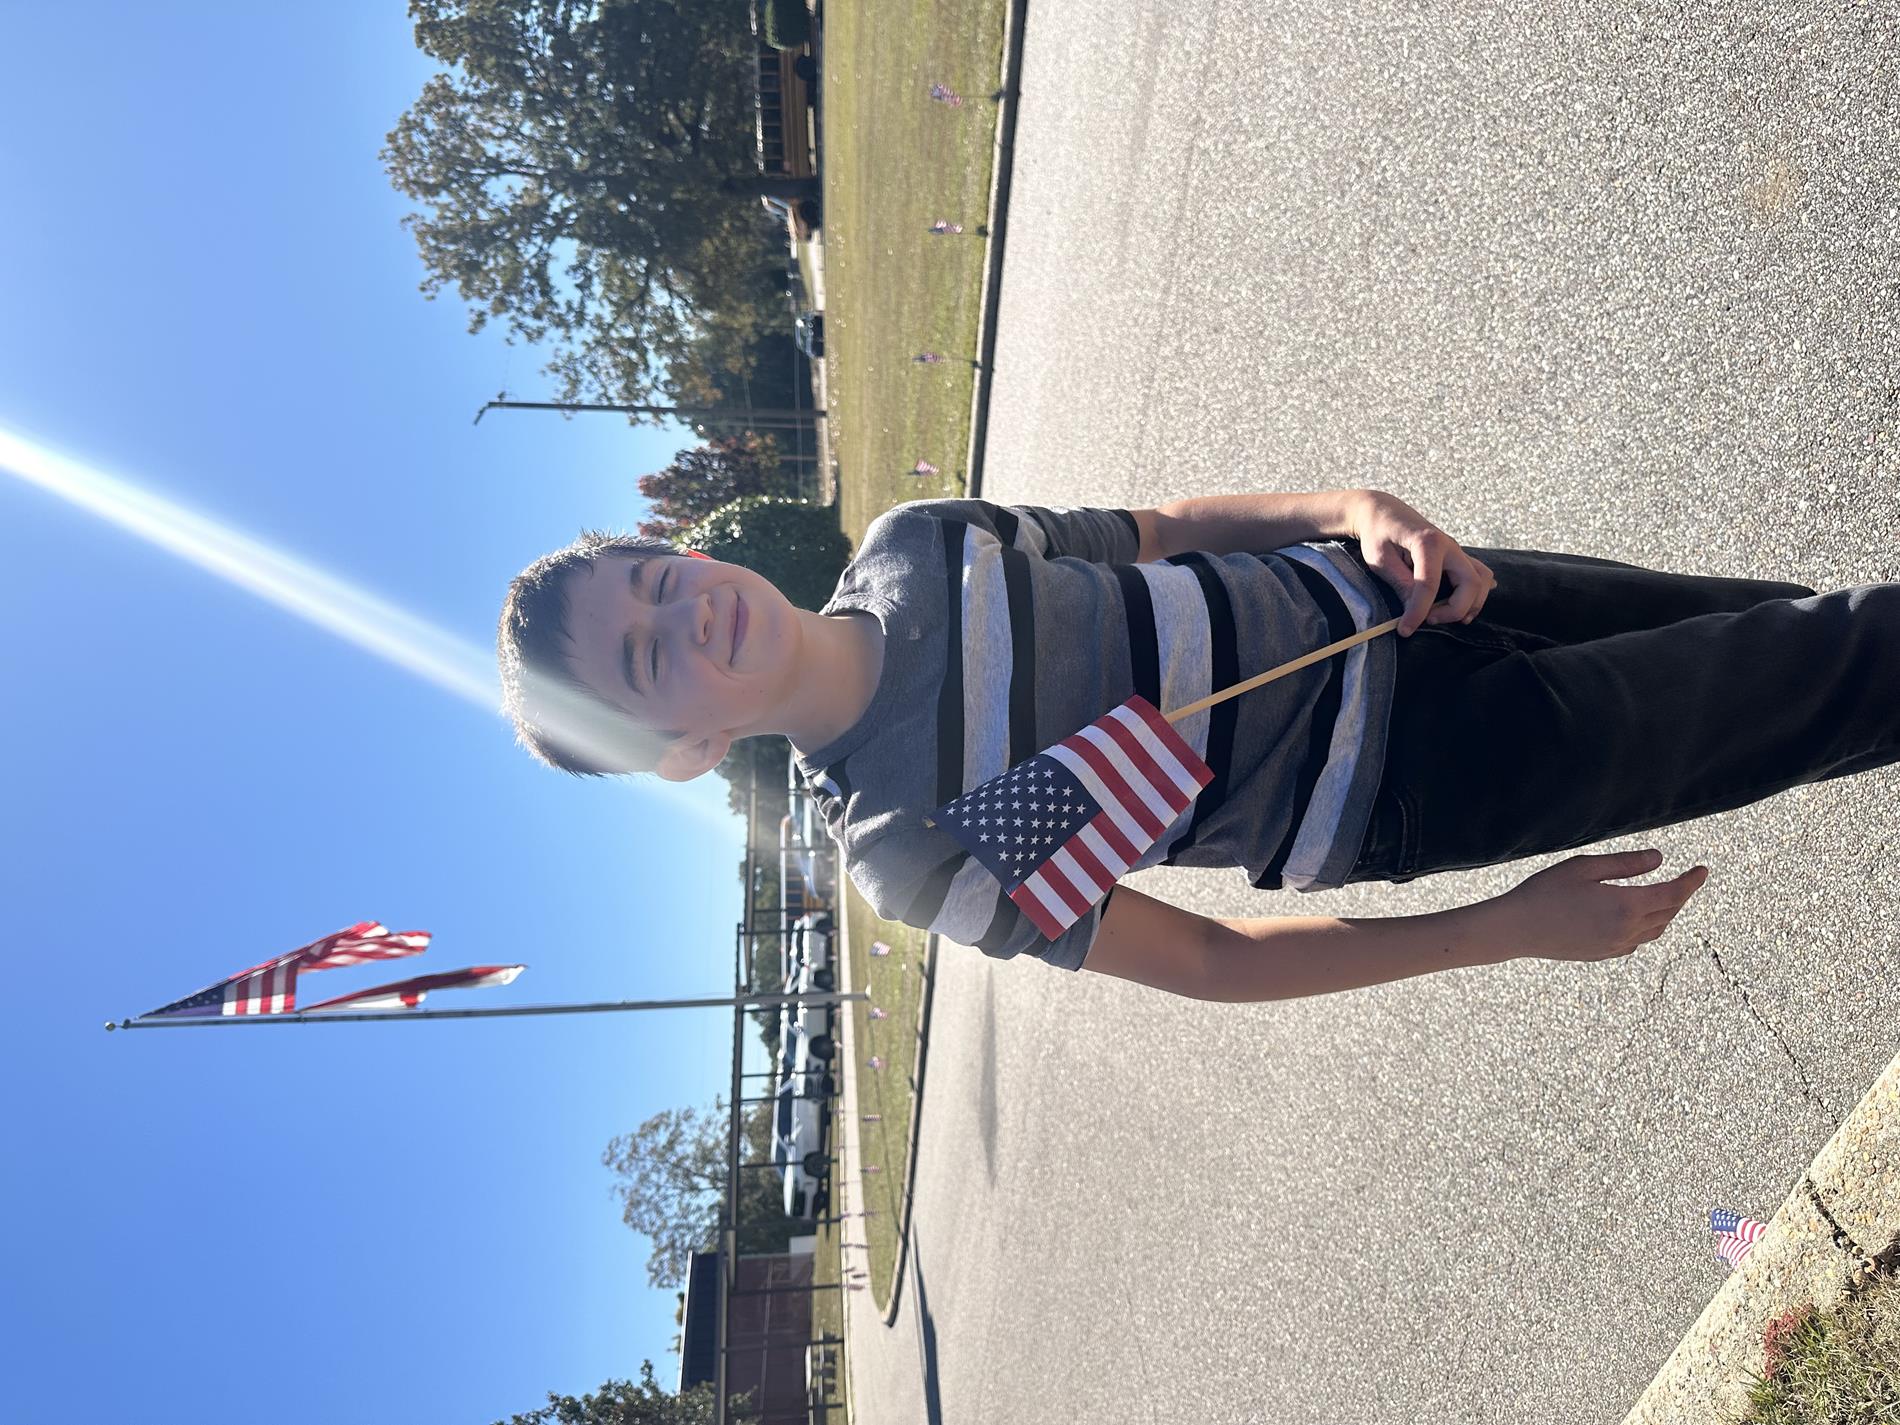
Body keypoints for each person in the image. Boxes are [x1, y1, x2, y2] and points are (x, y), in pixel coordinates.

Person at [495, 491, 1900, 1002]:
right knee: (1821, 673)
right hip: (1415, 777)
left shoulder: (918, 546)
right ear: (682, 750)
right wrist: (1508, 926)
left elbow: (1161, 529)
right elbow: (1210, 960)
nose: (688, 614)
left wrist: (1354, 504)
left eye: (657, 579)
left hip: (1401, 597)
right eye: (645, 658)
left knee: (1779, 640)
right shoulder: (908, 841)